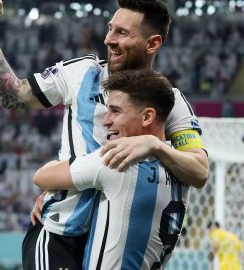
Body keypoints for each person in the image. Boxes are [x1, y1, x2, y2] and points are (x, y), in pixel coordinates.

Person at [0, 0, 209, 268]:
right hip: (61, 233)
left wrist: (155, 144)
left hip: (118, 238)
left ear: (152, 44)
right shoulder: (81, 72)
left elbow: (199, 171)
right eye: (110, 29)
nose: (109, 39)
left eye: (123, 33)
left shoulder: (169, 100)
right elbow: (13, 97)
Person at [34, 69, 190, 269]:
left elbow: (41, 177)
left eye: (115, 111)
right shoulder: (181, 166)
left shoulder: (117, 161)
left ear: (147, 117)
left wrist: (52, 176)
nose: (106, 120)